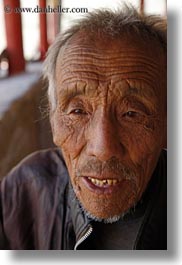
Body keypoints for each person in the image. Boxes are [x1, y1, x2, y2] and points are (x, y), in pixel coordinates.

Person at [0, 6, 167, 250]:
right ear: (54, 119)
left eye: (131, 114)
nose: (102, 148)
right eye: (78, 111)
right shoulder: (24, 191)